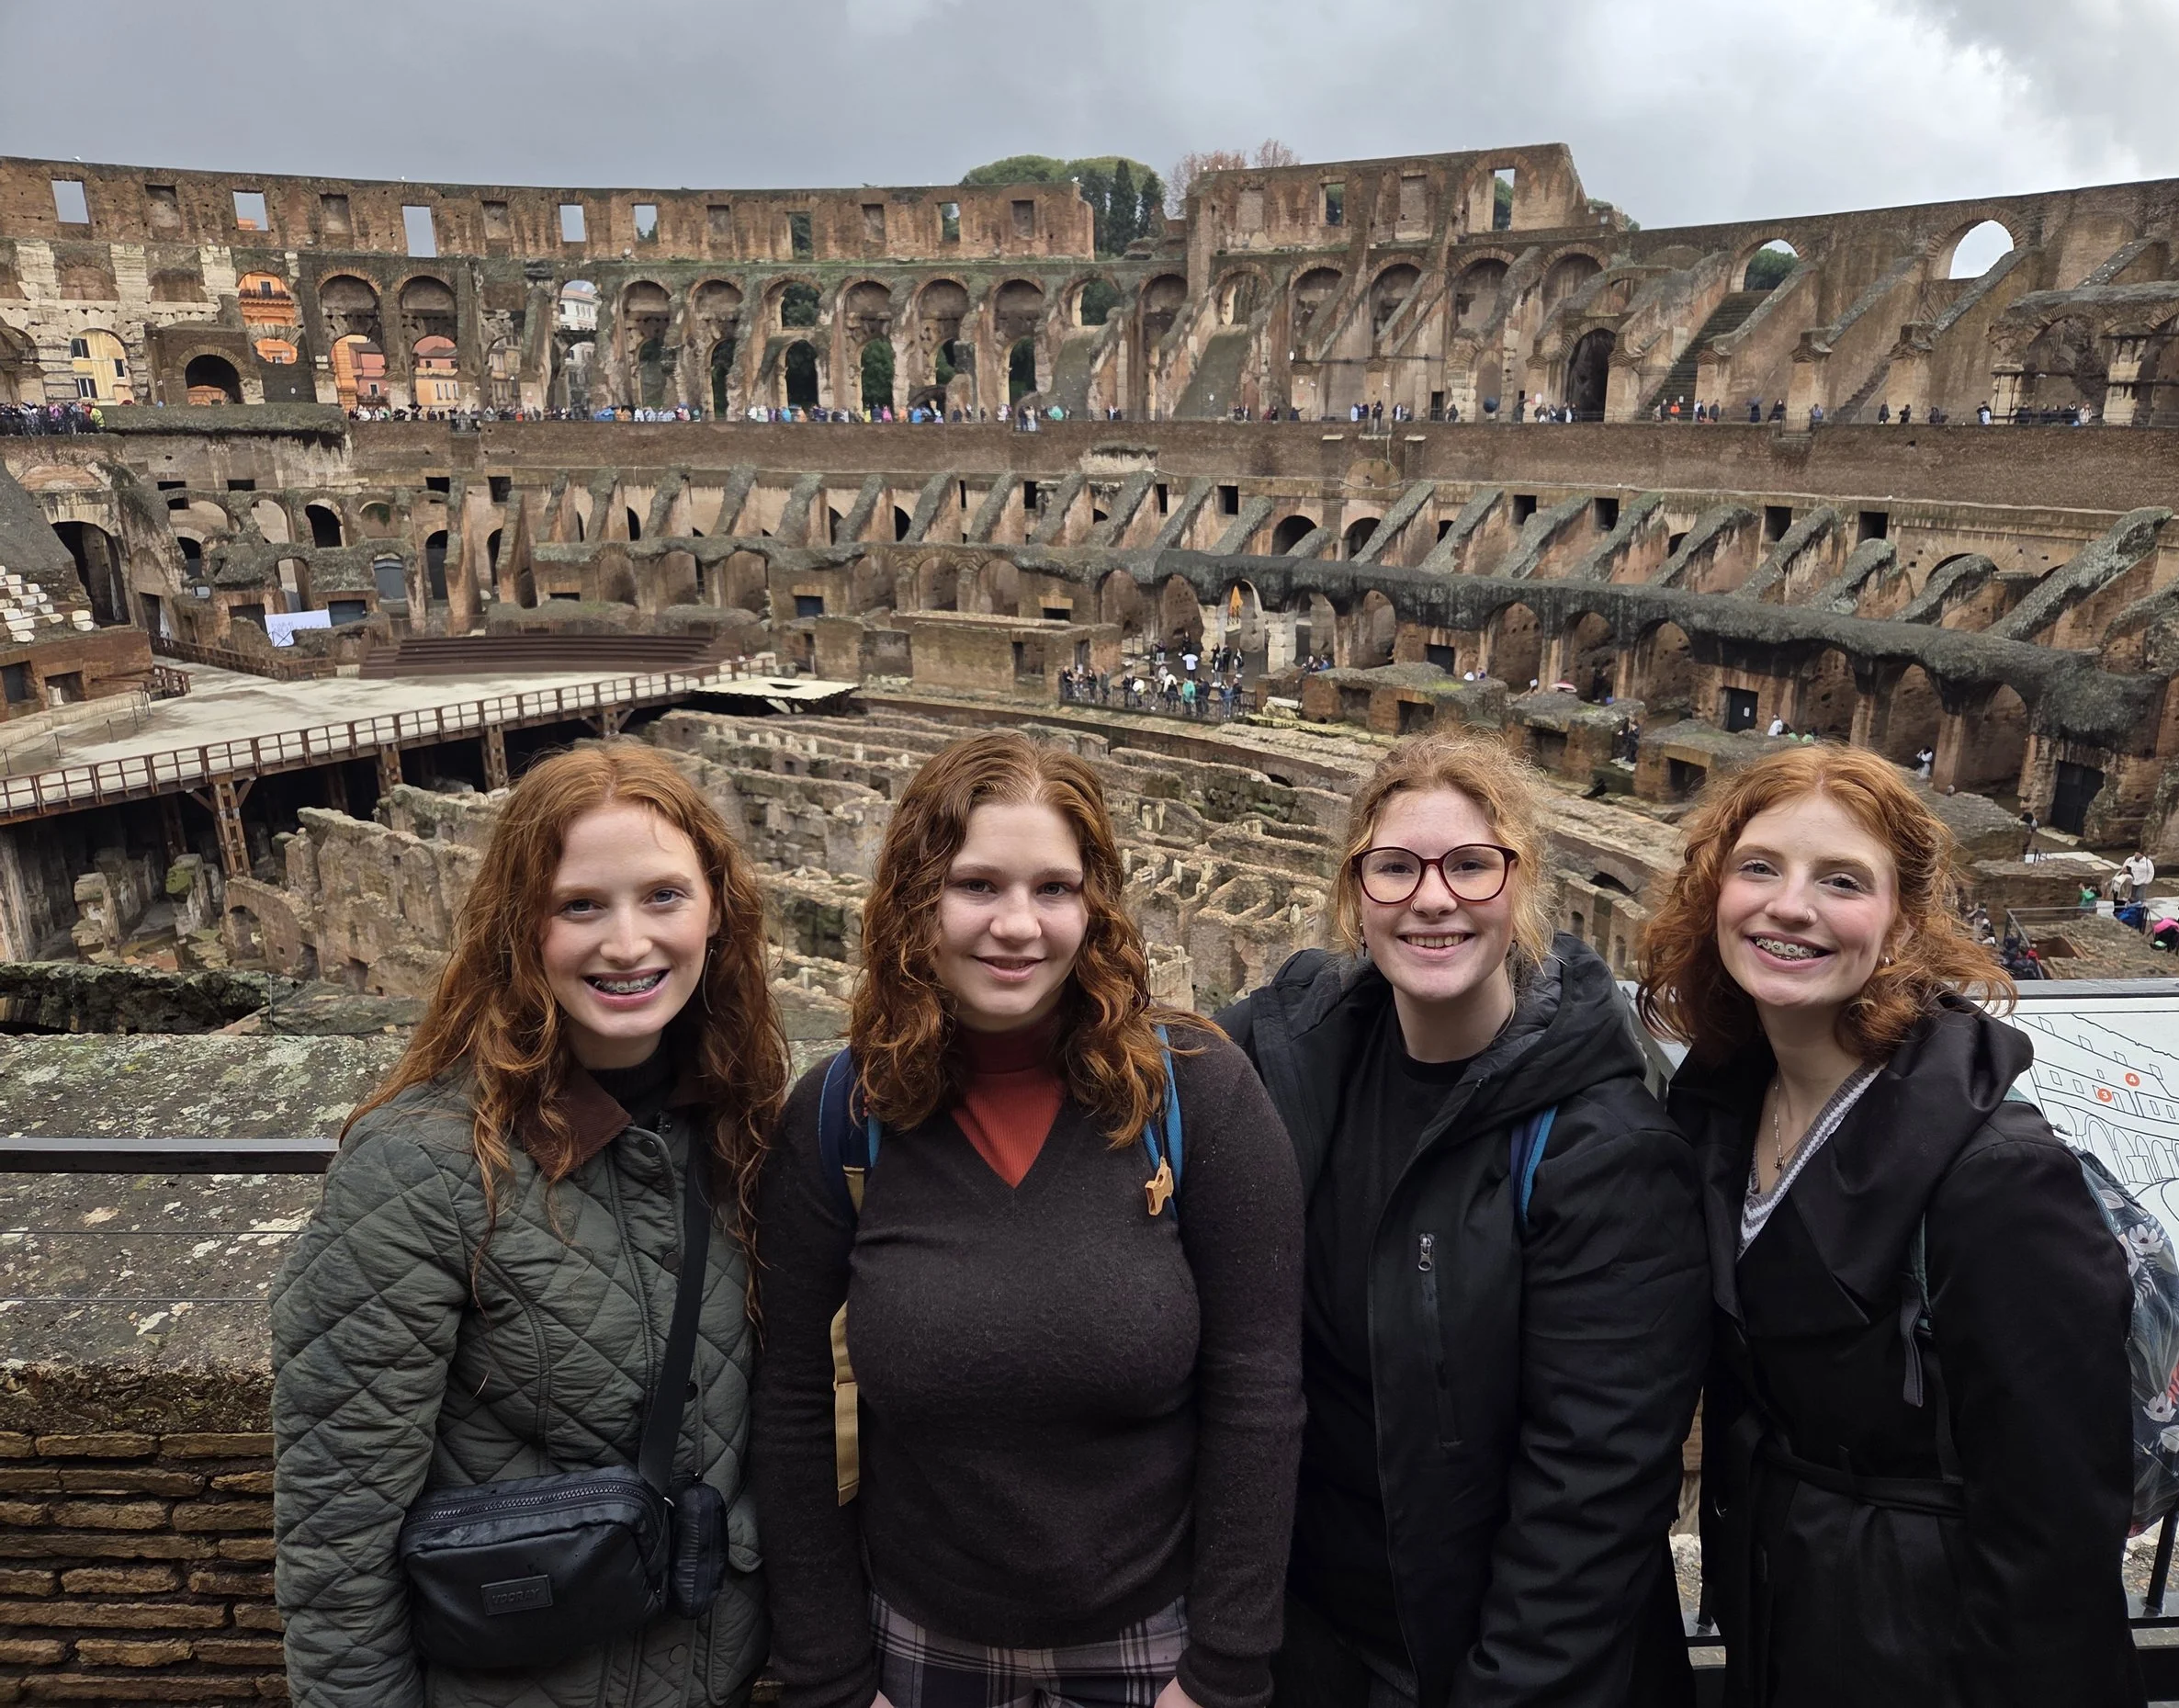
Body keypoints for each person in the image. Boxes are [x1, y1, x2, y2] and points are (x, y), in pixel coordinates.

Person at [755, 732, 1304, 1708]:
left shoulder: (1199, 1093)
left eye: (1053, 888)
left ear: (1094, 906)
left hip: (1153, 1644)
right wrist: (831, 1677)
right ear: (916, 899)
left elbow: (1257, 1389)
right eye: (977, 886)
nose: (1018, 925)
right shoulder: (844, 1114)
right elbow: (796, 1408)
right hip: (916, 1644)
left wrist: (1222, 1669)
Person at [272, 743, 790, 1706]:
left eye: (664, 897)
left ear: (717, 915)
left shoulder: (748, 1129)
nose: (628, 943)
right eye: (580, 905)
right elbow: (336, 1552)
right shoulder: (418, 1172)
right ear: (521, 927)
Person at [1639, 745, 2142, 1708]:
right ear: (1714, 894)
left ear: (1902, 920)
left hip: (1936, 1650)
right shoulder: (1723, 1106)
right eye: (1759, 868)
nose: (1789, 906)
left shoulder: (1998, 1179)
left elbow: (2056, 1535)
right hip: (1784, 1608)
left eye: (1841, 881)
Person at [1217, 729, 1707, 1708]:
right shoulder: (1293, 1058)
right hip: (1310, 1646)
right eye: (1393, 868)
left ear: (1522, 888)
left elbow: (1593, 1492)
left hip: (1489, 1665)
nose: (1432, 898)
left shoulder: (1601, 1144)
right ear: (1355, 893)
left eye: (1471, 866)